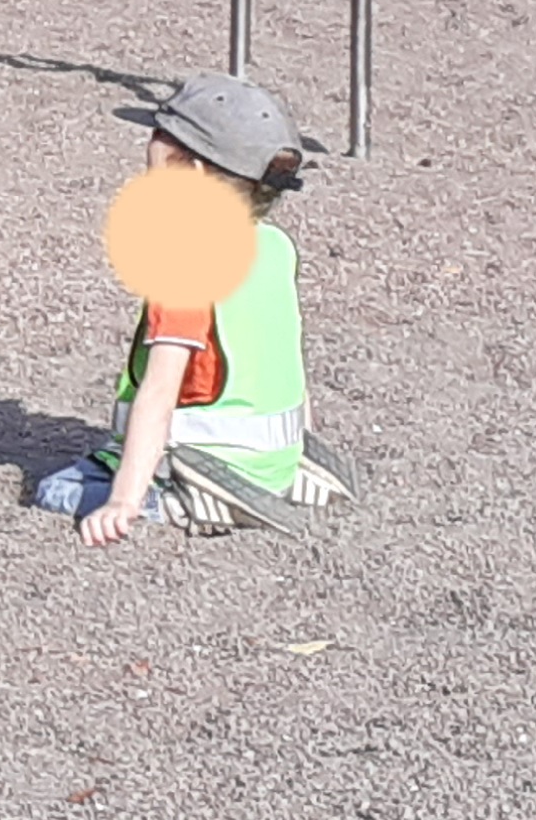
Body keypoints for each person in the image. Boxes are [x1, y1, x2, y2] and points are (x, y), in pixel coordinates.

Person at [35, 74, 344, 545]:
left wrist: (125, 501)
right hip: (273, 462)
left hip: (204, 464)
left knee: (56, 490)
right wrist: (296, 450)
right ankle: (274, 482)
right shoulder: (275, 247)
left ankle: (181, 503)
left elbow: (160, 391)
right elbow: (283, 358)